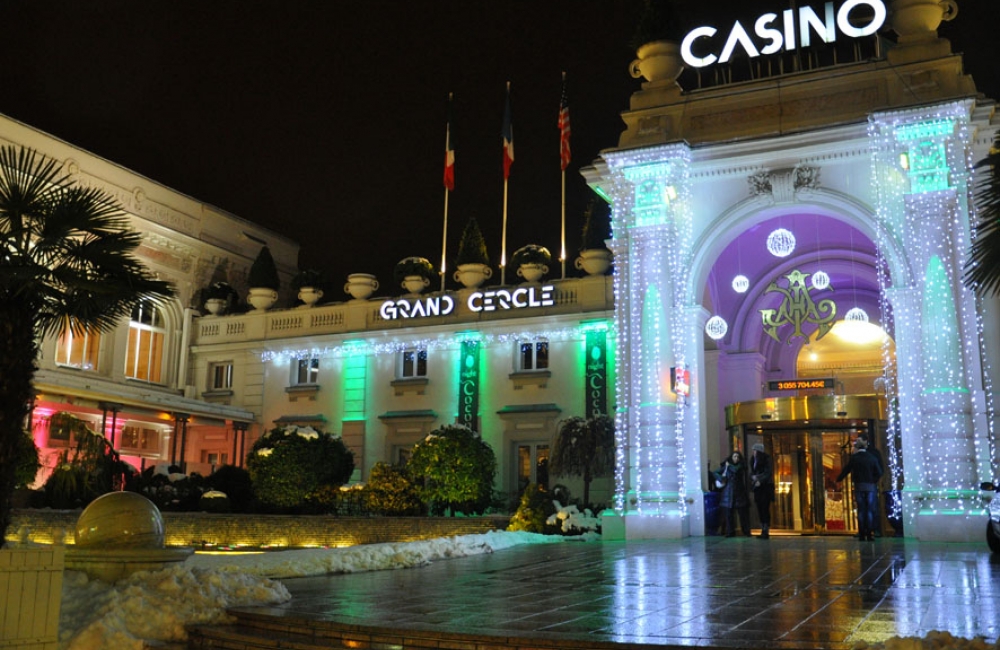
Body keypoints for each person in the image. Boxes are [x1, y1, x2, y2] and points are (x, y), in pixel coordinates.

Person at [836, 437, 883, 541]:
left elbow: (846, 470)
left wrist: (839, 479)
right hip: (870, 486)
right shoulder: (872, 458)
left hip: (859, 486)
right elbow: (879, 472)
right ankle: (870, 533)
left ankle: (862, 533)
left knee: (861, 510)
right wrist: (873, 481)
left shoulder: (855, 458)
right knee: (870, 510)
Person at [715, 450, 751, 537]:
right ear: (731, 457)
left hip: (738, 493)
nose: (736, 458)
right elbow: (715, 472)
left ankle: (745, 531)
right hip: (729, 493)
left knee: (742, 514)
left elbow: (736, 469)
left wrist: (729, 465)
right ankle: (730, 532)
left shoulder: (739, 466)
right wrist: (721, 478)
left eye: (738, 457)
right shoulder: (727, 466)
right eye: (734, 456)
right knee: (729, 514)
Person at [856, 432, 885, 537]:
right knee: (863, 508)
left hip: (869, 483)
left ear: (865, 441)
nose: (857, 442)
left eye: (859, 440)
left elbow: (880, 468)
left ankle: (873, 529)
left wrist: (874, 480)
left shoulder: (873, 452)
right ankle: (864, 530)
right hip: (864, 483)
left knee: (871, 508)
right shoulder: (859, 453)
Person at [749, 443, 775, 539]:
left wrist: (759, 479)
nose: (754, 452)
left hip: (765, 488)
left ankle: (766, 530)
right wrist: (753, 478)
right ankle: (763, 529)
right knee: (760, 508)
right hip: (757, 488)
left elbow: (768, 472)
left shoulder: (766, 459)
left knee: (765, 508)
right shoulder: (753, 460)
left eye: (755, 450)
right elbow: (752, 472)